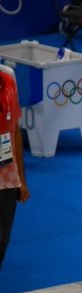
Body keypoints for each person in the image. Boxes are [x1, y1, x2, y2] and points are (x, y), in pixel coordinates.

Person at [0, 68, 30, 270]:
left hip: (6, 177)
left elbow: (15, 132)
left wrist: (21, 178)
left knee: (2, 240)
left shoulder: (9, 80)